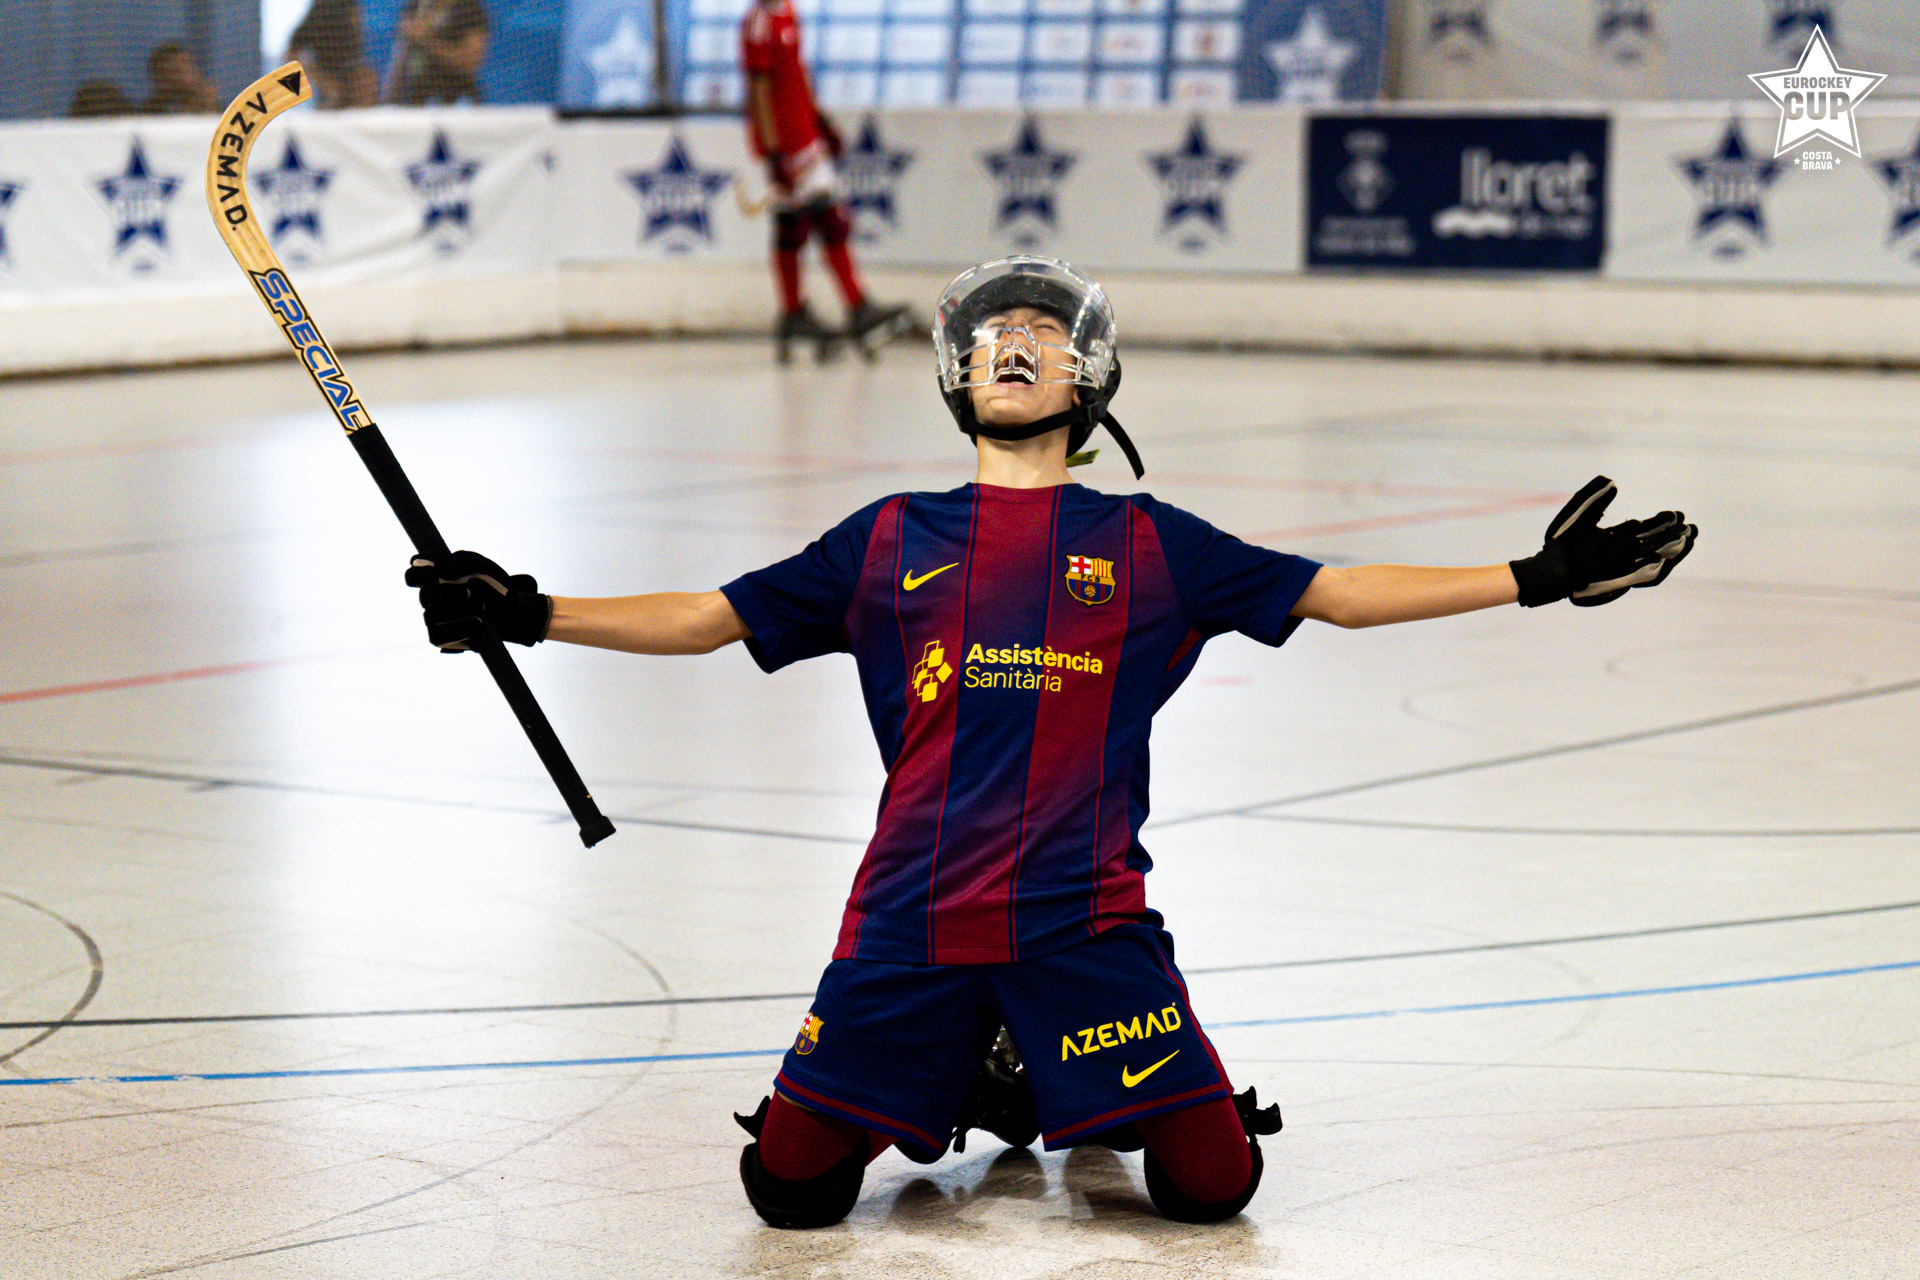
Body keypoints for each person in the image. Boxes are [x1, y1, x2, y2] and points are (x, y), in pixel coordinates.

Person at [404, 256, 1697, 1227]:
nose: (1014, 344)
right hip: (910, 921)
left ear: (1092, 384)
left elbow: (1342, 593)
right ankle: (965, 1060)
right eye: (991, 336)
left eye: (1045, 335)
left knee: (1214, 1189)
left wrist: (1534, 577)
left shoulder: (1152, 545)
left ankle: (1032, 1059)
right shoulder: (884, 538)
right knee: (789, 1194)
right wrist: (528, 610)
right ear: (956, 381)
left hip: (1086, 922)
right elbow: (706, 616)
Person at [740, 0, 907, 364]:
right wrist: (773, 153)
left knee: (801, 223)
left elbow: (796, 72)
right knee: (821, 220)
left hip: (803, 135)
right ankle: (850, 308)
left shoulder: (786, 11)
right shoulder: (759, 23)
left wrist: (819, 119)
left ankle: (799, 314)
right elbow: (760, 90)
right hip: (786, 143)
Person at [389, 0, 489, 105]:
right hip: (414, 95)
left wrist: (427, 40)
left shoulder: (469, 9)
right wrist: (391, 95)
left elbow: (471, 60)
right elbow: (400, 54)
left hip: (454, 96)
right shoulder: (417, 5)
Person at [286, 0, 379, 109]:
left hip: (352, 73)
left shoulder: (350, 6)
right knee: (334, 99)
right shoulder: (318, 14)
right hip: (329, 78)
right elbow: (291, 54)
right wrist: (319, 80)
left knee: (366, 84)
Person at [142, 43, 219, 114]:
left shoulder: (209, 106)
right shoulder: (148, 114)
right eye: (175, 70)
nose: (184, 74)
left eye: (186, 65)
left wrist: (209, 108)